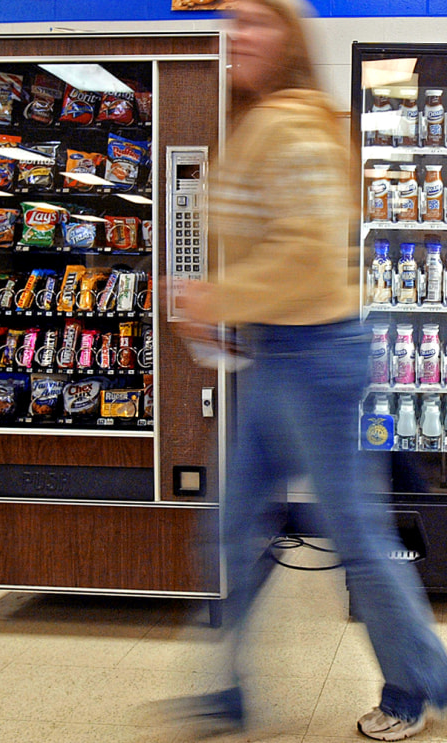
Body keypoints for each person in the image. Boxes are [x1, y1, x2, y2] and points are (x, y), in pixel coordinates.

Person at [174, 0, 447, 739]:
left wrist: (215, 294)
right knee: (231, 528)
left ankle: (422, 683)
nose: (240, 38)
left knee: (354, 532)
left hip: (317, 356)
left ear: (290, 38)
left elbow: (303, 251)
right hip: (276, 352)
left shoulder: (294, 123)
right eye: (232, 25)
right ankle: (227, 690)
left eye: (257, 23)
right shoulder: (261, 120)